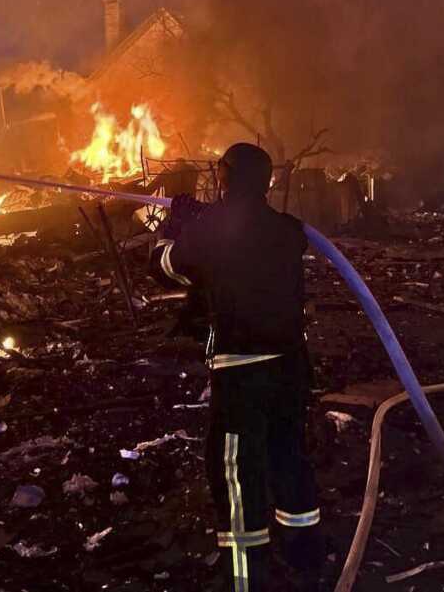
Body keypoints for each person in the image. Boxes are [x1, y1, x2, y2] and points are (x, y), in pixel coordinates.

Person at [152, 143, 322, 592]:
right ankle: (305, 559)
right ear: (267, 181)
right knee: (289, 456)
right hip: (289, 369)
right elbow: (246, 234)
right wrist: (206, 219)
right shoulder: (289, 231)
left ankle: (247, 581)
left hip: (242, 374)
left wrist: (174, 227)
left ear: (224, 177)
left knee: (237, 475)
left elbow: (168, 267)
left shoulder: (211, 229)